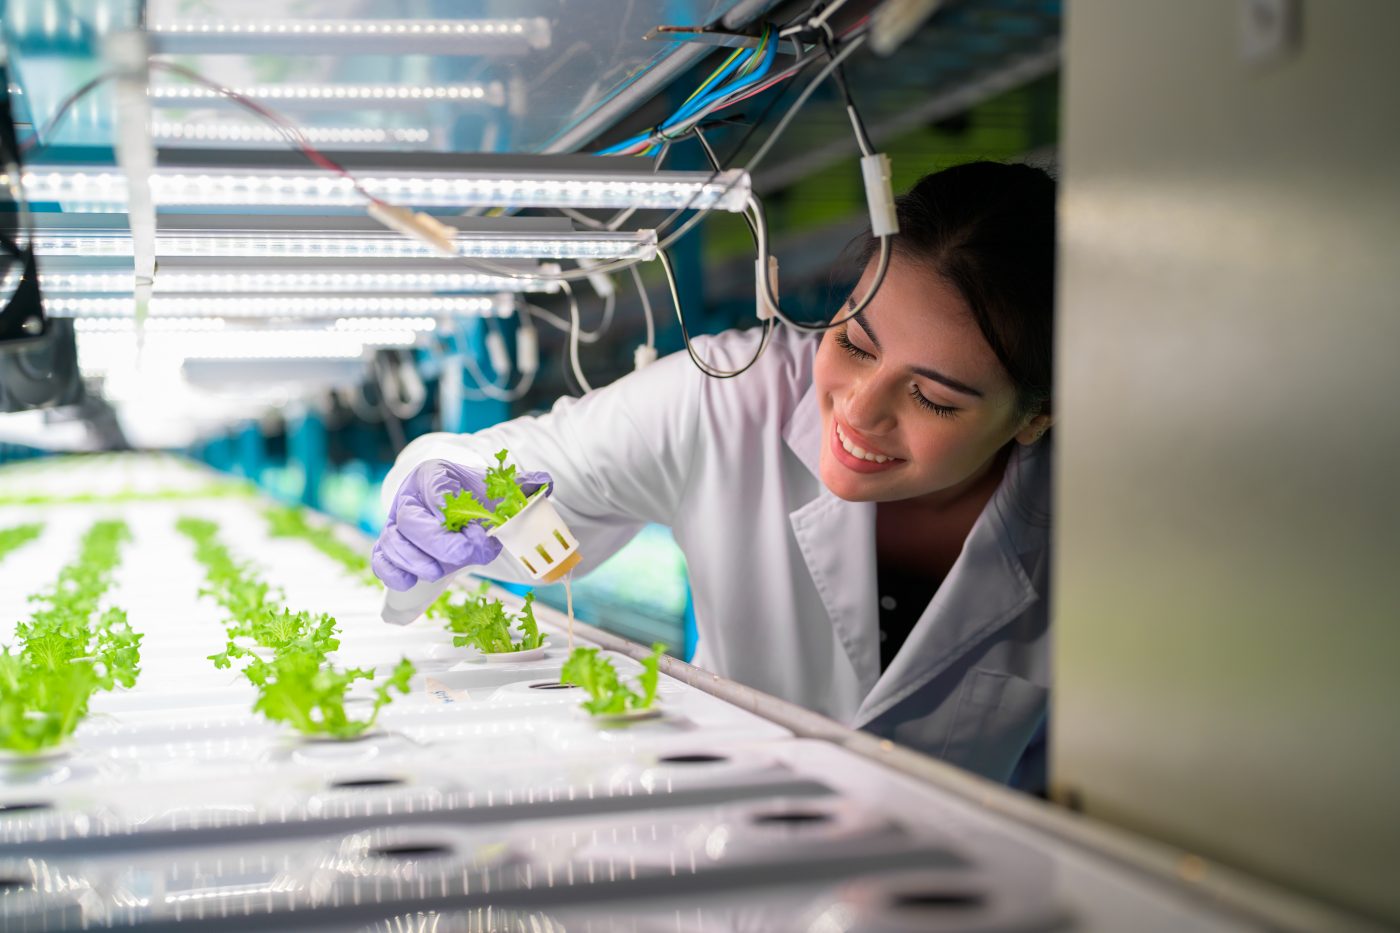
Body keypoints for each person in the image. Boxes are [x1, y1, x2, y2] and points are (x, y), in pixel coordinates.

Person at [372, 161, 1056, 786]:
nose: (859, 409)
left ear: (1037, 416)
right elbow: (488, 461)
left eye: (932, 396)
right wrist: (443, 494)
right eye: (853, 342)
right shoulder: (732, 394)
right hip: (727, 835)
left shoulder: (1087, 516)